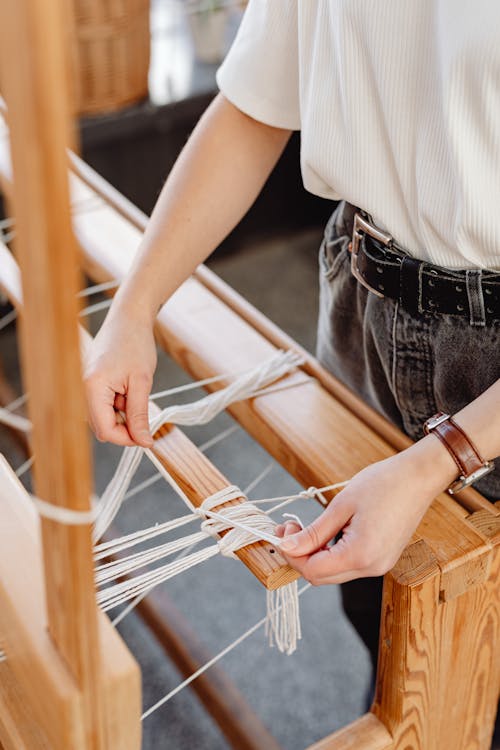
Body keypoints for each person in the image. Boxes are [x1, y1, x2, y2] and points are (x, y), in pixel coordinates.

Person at [85, 0, 500, 700]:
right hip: (362, 292)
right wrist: (135, 304)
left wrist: (443, 457)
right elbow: (254, 103)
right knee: (376, 598)